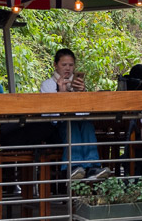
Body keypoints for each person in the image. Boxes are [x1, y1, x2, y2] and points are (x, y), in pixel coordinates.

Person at [36, 49, 111, 180]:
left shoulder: (77, 84)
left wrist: (81, 94)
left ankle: (92, 166)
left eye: (71, 65)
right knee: (71, 125)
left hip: (78, 122)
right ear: (55, 65)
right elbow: (49, 114)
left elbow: (85, 113)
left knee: (87, 124)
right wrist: (61, 95)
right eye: (64, 65)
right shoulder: (47, 85)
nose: (67, 68)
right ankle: (73, 167)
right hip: (56, 128)